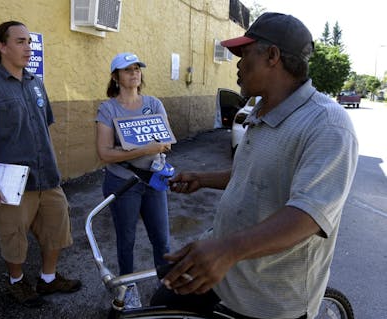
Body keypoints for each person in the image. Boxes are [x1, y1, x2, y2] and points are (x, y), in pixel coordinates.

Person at [150, 12, 358, 319]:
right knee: (161, 305)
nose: (237, 64)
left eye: (244, 54)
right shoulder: (260, 111)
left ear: (272, 56)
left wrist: (227, 250)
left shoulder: (327, 125)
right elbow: (253, 174)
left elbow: (308, 216)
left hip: (267, 302)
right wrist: (203, 178)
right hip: (225, 273)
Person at [0, 21, 81, 308]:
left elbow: (43, 127)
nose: (28, 47)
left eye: (29, 41)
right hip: (13, 183)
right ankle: (17, 282)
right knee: (14, 237)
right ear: (2, 47)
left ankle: (48, 277)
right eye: (20, 41)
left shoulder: (36, 83)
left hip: (47, 177)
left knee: (56, 229)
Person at [95, 52, 173, 306]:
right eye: (127, 69)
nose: (134, 73)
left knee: (161, 239)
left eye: (137, 68)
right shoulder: (108, 108)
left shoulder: (154, 104)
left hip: (153, 182)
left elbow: (166, 142)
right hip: (123, 183)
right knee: (126, 240)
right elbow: (104, 153)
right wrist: (144, 150)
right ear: (116, 76)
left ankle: (167, 288)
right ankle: (128, 290)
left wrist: (158, 149)